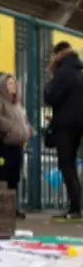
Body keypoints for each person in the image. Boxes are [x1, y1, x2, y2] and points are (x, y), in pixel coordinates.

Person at [45, 41, 83, 219]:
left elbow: (51, 97)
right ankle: (75, 206)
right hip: (78, 124)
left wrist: (50, 83)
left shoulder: (63, 72)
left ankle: (75, 208)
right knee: (72, 164)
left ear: (58, 54)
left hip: (66, 125)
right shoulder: (78, 71)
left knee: (66, 164)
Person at [0, 72, 31, 219]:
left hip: (17, 146)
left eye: (14, 83)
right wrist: (12, 127)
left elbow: (24, 122)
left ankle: (12, 208)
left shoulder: (18, 105)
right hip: (3, 146)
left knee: (14, 177)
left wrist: (27, 131)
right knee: (2, 175)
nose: (12, 86)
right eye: (9, 84)